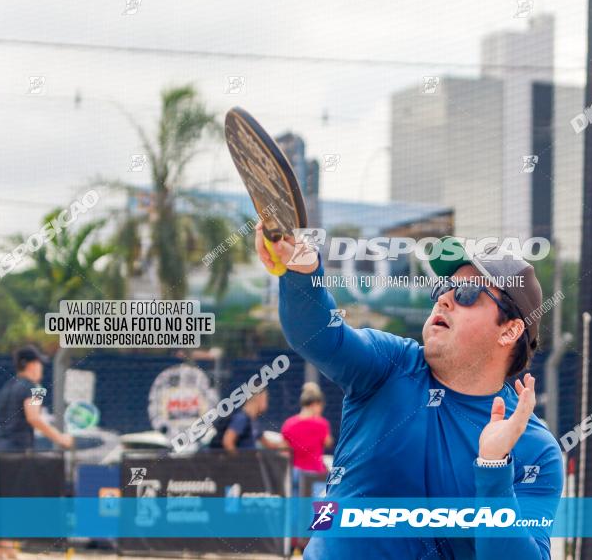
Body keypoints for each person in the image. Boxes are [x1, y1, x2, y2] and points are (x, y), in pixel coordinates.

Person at [256, 227, 563, 559]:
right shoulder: (391, 365)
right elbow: (318, 335)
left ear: (510, 330)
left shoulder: (535, 449)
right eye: (444, 287)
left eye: (468, 293)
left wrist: (493, 466)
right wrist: (303, 270)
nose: (445, 298)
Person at [0, 346, 73, 559]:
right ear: (29, 364)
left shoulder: (7, 387)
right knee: (13, 500)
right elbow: (34, 417)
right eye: (39, 364)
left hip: (0, 450)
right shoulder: (35, 388)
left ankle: (4, 547)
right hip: (17, 451)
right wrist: (61, 438)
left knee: (2, 500)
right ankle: (5, 547)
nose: (41, 369)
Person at [281, 382, 334, 495]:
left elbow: (284, 449)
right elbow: (328, 442)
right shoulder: (322, 424)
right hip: (315, 473)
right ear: (315, 404)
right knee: (316, 509)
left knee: (297, 509)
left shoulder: (288, 424)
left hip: (295, 473)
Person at [208, 390, 280, 452]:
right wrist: (239, 461)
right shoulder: (241, 418)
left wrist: (286, 445)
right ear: (259, 398)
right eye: (266, 399)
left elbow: (268, 444)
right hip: (242, 466)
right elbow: (228, 441)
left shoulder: (254, 421)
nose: (267, 403)